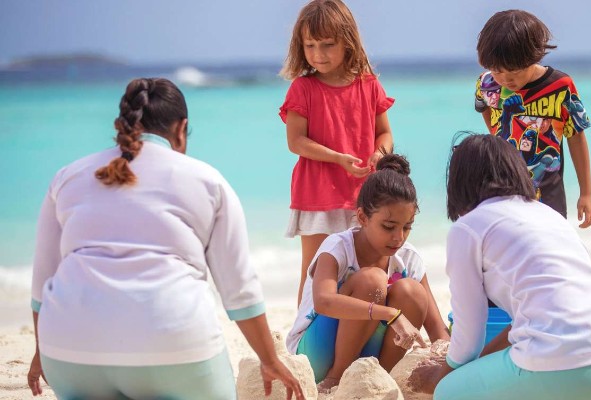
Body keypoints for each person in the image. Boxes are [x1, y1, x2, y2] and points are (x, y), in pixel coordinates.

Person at [26, 78, 304, 400]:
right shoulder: (208, 181)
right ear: (181, 128)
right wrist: (269, 360)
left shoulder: (67, 176)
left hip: (68, 351)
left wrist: (41, 350)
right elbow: (238, 289)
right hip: (174, 350)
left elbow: (42, 282)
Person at [408, 134, 591, 400]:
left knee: (447, 392)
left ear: (460, 181)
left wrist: (441, 375)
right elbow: (532, 323)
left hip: (566, 371)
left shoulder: (469, 227)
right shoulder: (549, 216)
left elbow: (469, 336)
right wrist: (480, 368)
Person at [285, 153, 451, 393]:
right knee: (372, 280)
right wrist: (391, 314)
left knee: (411, 292)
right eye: (388, 227)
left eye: (407, 227)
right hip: (317, 355)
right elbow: (323, 302)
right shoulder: (337, 247)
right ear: (362, 217)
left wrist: (449, 365)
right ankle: (335, 381)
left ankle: (376, 382)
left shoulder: (408, 257)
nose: (399, 237)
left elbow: (438, 332)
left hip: (368, 355)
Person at [279, 0, 395, 305]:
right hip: (317, 193)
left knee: (367, 267)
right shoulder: (302, 89)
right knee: (316, 271)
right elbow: (296, 142)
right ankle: (303, 333)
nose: (318, 54)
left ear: (348, 42)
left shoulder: (369, 85)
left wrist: (379, 154)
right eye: (310, 45)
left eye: (328, 45)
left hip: (362, 193)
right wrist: (337, 158)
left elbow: (384, 132)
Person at [474, 9, 591, 228]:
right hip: (499, 188)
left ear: (533, 56)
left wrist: (586, 193)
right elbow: (483, 106)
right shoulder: (487, 83)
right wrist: (497, 135)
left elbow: (575, 136)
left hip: (547, 191)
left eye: (515, 71)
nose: (506, 79)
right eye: (497, 71)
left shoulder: (560, 86)